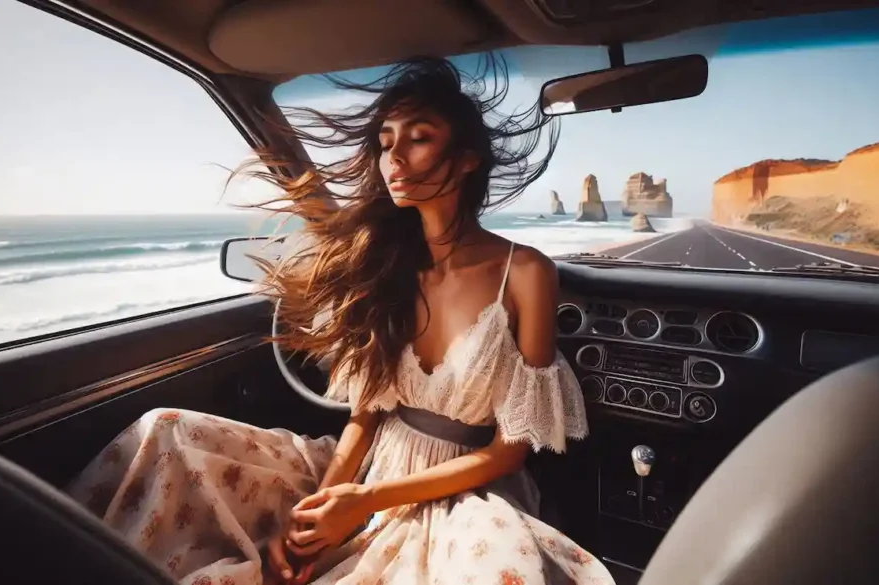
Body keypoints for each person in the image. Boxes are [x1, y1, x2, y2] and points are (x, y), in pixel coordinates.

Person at [67, 56, 614, 585]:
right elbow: (364, 419)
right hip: (370, 465)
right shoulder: (382, 266)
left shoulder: (525, 272)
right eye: (385, 142)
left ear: (467, 157)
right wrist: (315, 516)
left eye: (418, 138)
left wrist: (365, 503)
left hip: (465, 490)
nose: (394, 157)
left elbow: (507, 451)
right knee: (169, 432)